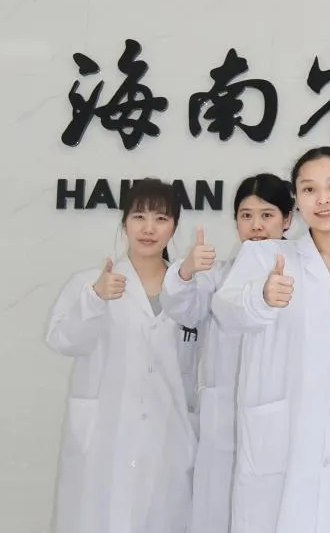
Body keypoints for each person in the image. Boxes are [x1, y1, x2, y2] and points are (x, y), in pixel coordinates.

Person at [213, 147, 330, 533]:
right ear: (297, 199)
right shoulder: (266, 256)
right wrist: (261, 298)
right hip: (283, 439)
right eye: (310, 189)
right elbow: (226, 311)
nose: (323, 199)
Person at [45, 178, 198, 533]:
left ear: (174, 226)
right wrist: (95, 298)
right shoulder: (89, 283)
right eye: (138, 216)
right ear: (124, 222)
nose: (149, 228)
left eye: (161, 218)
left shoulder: (191, 290)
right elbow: (63, 340)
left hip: (169, 435)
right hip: (104, 436)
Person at [161, 173, 294, 533]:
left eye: (267, 215)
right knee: (218, 509)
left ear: (287, 219)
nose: (256, 225)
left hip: (281, 418)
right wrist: (186, 271)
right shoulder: (217, 275)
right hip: (225, 418)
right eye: (246, 215)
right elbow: (182, 308)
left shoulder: (305, 274)